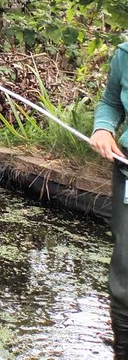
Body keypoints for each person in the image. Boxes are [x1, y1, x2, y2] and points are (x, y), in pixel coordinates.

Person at [90, 40, 128, 358]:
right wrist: (103, 128)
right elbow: (111, 102)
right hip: (127, 171)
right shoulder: (125, 54)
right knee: (125, 270)